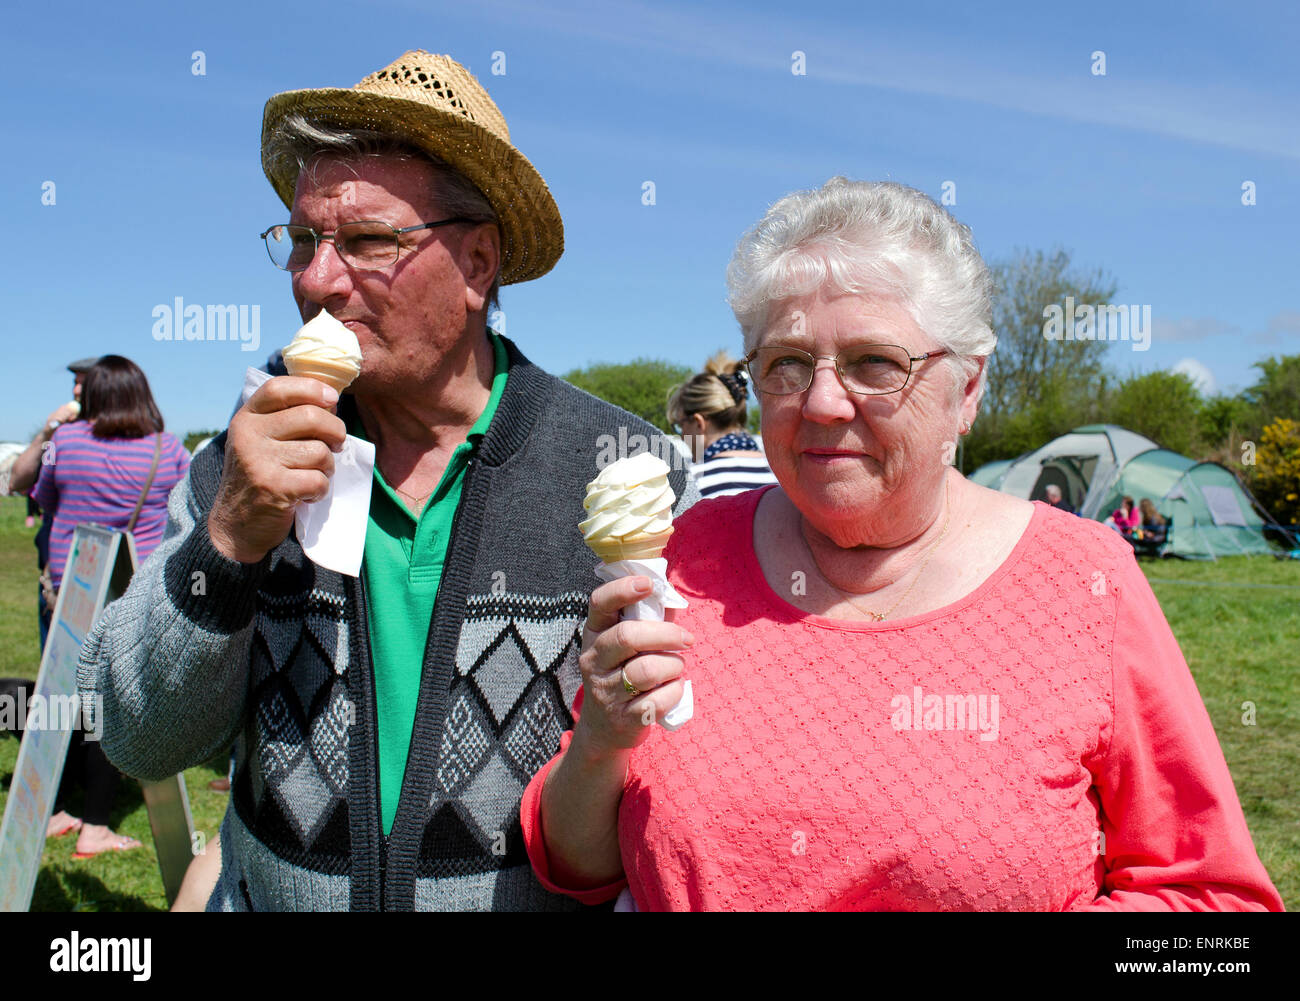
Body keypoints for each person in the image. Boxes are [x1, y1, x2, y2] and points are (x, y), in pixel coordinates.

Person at [521, 178, 1282, 911]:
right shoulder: (685, 560)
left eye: (875, 363)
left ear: (970, 389)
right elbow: (578, 869)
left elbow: (1217, 906)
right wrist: (599, 743)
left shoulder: (1087, 583)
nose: (820, 401)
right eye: (786, 363)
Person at [78, 50, 696, 911]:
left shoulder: (629, 466)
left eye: (368, 241)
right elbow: (137, 738)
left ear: (479, 264)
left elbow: (684, 779)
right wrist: (227, 542)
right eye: (302, 240)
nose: (316, 281)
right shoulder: (241, 459)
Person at [33, 355, 190, 856]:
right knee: (112, 707)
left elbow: (43, 499)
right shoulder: (167, 449)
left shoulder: (65, 442)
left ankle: (56, 808)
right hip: (130, 590)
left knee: (58, 700)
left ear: (93, 397)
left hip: (65, 589)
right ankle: (95, 824)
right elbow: (186, 507)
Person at [10, 357, 98, 652]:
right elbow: (18, 481)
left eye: (83, 384)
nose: (75, 391)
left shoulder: (126, 438)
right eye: (74, 383)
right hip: (54, 576)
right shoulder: (59, 436)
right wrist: (48, 432)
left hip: (98, 573)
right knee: (56, 669)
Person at [667, 351, 778, 498]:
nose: (681, 436)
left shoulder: (690, 484)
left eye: (680, 426)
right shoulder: (782, 474)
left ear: (699, 423)